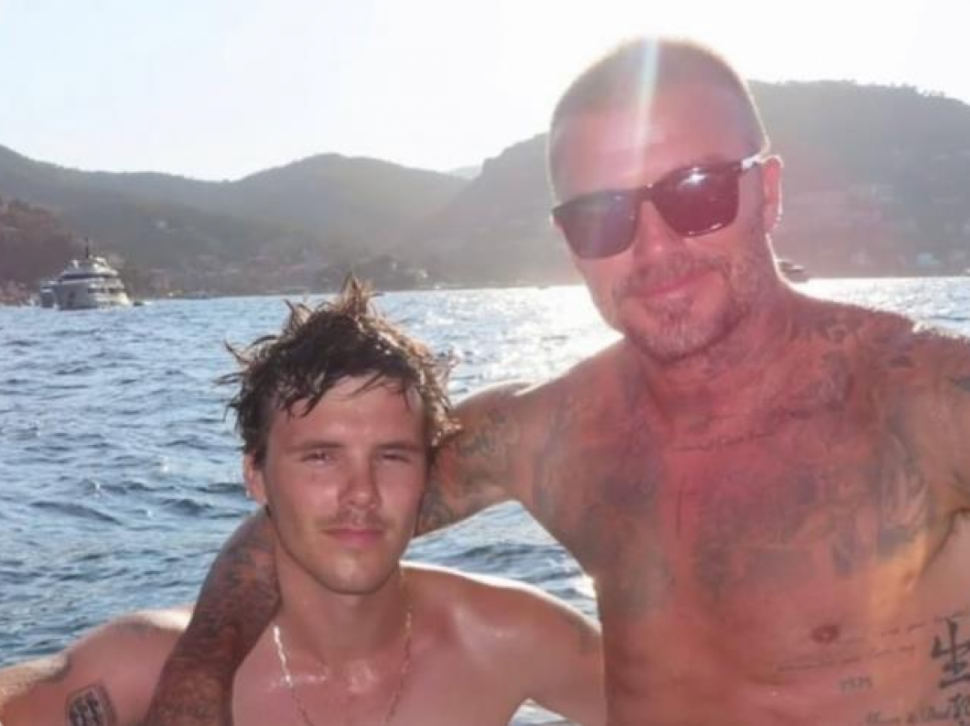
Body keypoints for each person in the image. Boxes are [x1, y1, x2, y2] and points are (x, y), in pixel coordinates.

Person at [144, 36, 970, 726]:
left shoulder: (926, 400)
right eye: (603, 216)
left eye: (699, 193)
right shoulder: (552, 436)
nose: (654, 248)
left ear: (770, 192)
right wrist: (197, 673)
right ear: (568, 241)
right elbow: (313, 514)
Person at [0, 281, 604, 726]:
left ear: (427, 474)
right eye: (320, 457)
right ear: (256, 477)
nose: (361, 492)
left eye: (392, 456)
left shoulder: (506, 634)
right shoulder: (149, 662)